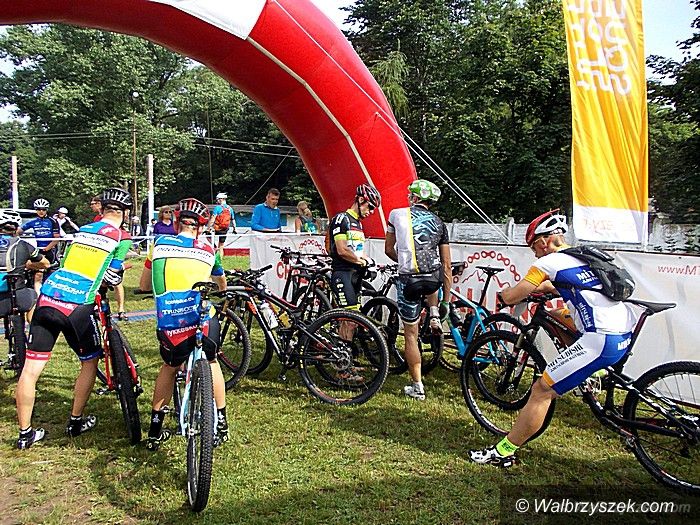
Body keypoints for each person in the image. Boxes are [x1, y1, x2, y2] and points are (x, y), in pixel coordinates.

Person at [469, 210, 637, 468]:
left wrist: (505, 295)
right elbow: (554, 286)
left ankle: (504, 451)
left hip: (601, 338)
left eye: (533, 247)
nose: (534, 254)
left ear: (544, 241)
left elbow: (514, 296)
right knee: (559, 315)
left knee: (541, 390)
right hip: (622, 329)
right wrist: (537, 289)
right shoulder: (581, 256)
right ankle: (593, 373)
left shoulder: (548, 262)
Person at [15, 188, 133, 449]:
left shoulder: (83, 231)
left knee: (30, 370)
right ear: (125, 214)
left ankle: (25, 434)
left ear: (102, 210)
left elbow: (67, 262)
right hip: (77, 304)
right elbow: (113, 275)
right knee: (89, 362)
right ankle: (75, 421)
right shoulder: (121, 237)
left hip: (48, 297)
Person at [139, 197, 229, 451]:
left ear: (177, 222)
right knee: (212, 362)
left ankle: (155, 430)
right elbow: (221, 284)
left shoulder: (159, 244)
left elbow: (144, 285)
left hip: (171, 321)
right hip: (203, 318)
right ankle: (222, 421)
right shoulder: (209, 249)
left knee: (169, 367)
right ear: (199, 227)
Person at [385, 180, 451, 401]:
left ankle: (417, 386)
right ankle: (434, 312)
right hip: (433, 281)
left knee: (411, 335)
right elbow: (446, 265)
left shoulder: (396, 214)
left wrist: (403, 261)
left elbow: (388, 249)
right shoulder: (439, 222)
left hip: (409, 280)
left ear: (414, 198)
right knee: (433, 270)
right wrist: (446, 301)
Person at [0, 209, 50, 320]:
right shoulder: (22, 244)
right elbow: (46, 264)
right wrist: (26, 264)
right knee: (34, 297)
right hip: (17, 294)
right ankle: (34, 329)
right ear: (16, 228)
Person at [19, 199, 61, 295]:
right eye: (38, 209)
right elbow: (18, 231)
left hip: (50, 250)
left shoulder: (52, 221)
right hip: (39, 250)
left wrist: (47, 248)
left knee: (43, 273)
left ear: (46, 210)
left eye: (43, 209)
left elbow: (56, 239)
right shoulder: (33, 222)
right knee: (34, 271)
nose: (41, 211)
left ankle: (43, 294)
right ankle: (36, 294)